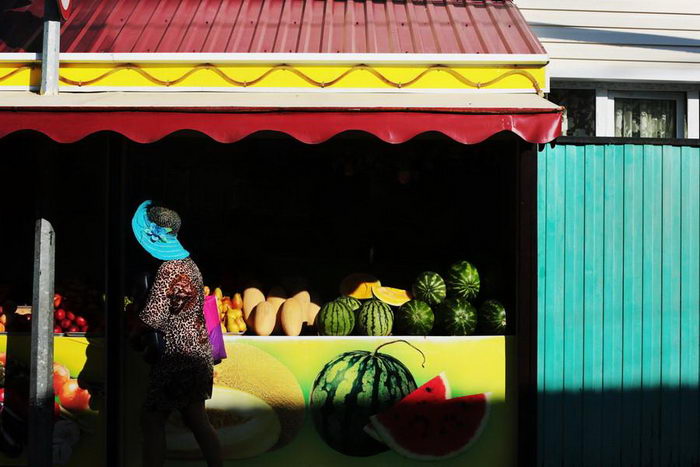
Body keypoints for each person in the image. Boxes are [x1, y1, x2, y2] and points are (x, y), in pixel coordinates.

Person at [129, 200, 222, 467]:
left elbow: (153, 316)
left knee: (152, 419)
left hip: (176, 357)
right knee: (197, 419)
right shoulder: (190, 265)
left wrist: (133, 334)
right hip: (198, 353)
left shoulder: (168, 270)